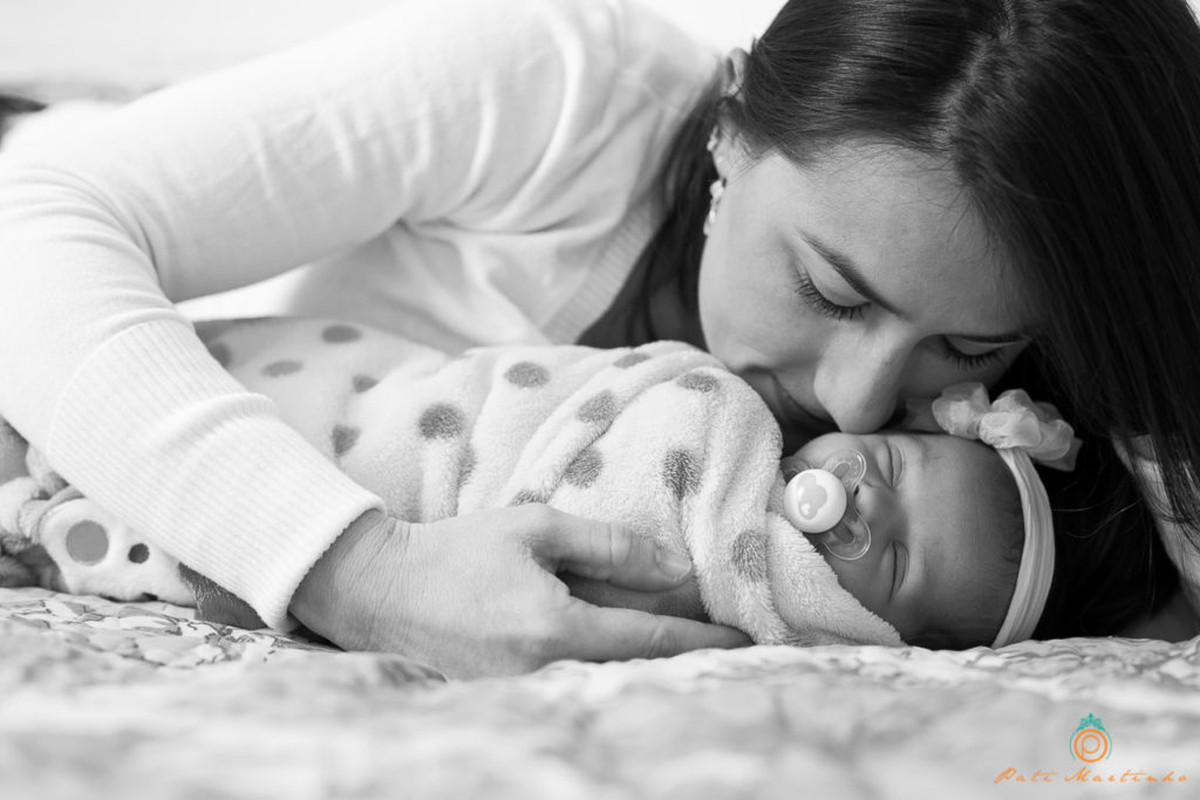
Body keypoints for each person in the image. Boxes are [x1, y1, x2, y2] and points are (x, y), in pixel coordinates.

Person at [1, 0, 1199, 677]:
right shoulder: (556, 89)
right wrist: (359, 571)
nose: (857, 402)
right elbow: (35, 216)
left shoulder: (1009, 459)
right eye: (832, 291)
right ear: (730, 138)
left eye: (971, 349)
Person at [0, 316, 1130, 650]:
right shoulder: (716, 406)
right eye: (884, 467)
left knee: (151, 532)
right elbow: (583, 400)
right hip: (397, 411)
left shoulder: (752, 610)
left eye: (887, 557)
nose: (858, 502)